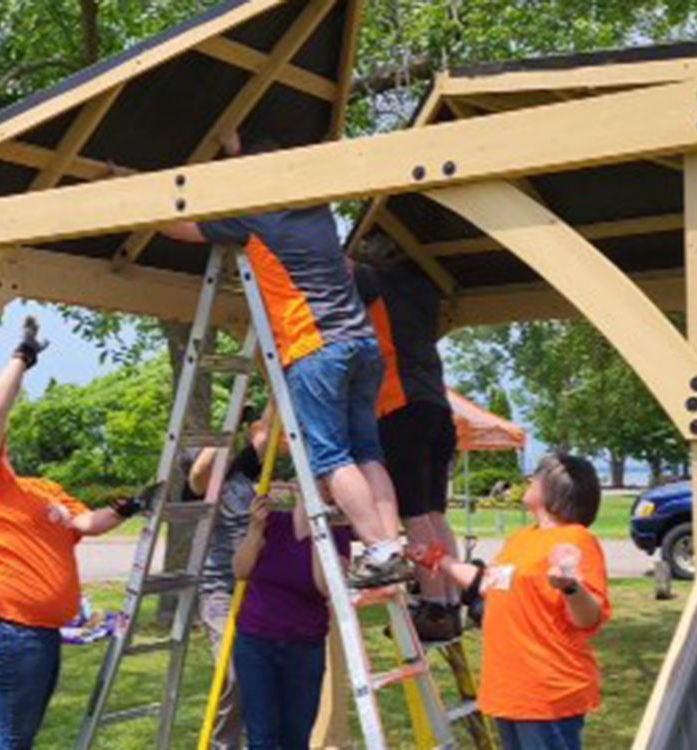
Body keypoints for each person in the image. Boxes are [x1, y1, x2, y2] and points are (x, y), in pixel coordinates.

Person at [159, 132, 408, 587]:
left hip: (316, 347)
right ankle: (391, 543)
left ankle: (377, 547)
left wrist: (132, 198)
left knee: (331, 458)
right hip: (361, 343)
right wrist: (239, 148)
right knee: (367, 452)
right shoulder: (316, 207)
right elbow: (261, 167)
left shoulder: (253, 218)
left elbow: (177, 227)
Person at [0, 317, 149, 750]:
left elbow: (87, 524)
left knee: (22, 737)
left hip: (42, 629)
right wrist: (23, 357)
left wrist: (131, 506)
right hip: (9, 627)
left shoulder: (41, 488)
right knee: (15, 738)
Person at [433, 455, 612, 750]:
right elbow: (488, 585)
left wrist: (570, 588)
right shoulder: (521, 539)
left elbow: (589, 617)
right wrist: (439, 561)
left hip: (546, 693)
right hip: (510, 691)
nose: (529, 480)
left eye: (537, 475)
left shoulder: (576, 539)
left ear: (557, 486)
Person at [353, 243, 462, 640]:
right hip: (437, 407)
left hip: (400, 405)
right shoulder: (426, 287)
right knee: (434, 515)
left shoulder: (370, 280)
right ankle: (450, 600)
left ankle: (433, 606)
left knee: (414, 517)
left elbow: (335, 265)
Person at [232, 495, 352, 749]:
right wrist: (254, 530)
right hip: (256, 642)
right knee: (262, 737)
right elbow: (240, 570)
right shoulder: (273, 522)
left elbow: (325, 587)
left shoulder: (336, 532)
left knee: (296, 739)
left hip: (304, 646)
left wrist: (319, 531)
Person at [184, 407, 271, 749]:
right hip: (218, 592)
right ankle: (225, 745)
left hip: (255, 587)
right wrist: (231, 421)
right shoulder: (197, 488)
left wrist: (276, 393)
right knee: (233, 670)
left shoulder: (240, 473)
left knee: (264, 670)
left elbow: (264, 439)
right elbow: (203, 469)